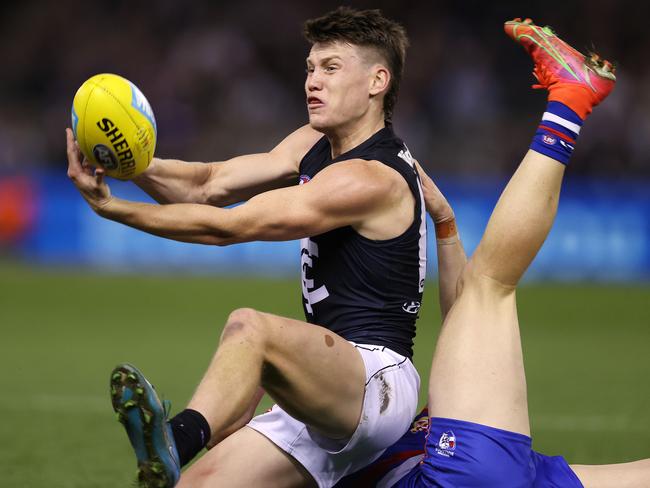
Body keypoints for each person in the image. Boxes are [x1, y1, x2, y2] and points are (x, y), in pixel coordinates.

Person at [66, 7, 428, 488]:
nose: (312, 82)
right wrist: (132, 162)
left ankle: (174, 440)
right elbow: (208, 185)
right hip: (319, 387)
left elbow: (228, 227)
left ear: (377, 81)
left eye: (330, 68)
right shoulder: (313, 143)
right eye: (310, 68)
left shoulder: (371, 178)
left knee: (250, 329)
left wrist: (114, 209)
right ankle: (177, 456)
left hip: (374, 383)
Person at [337, 18, 649, 488]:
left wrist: (445, 227)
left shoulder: (368, 417)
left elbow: (464, 331)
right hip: (454, 474)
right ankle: (570, 100)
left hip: (484, 473)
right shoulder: (358, 405)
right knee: (490, 285)